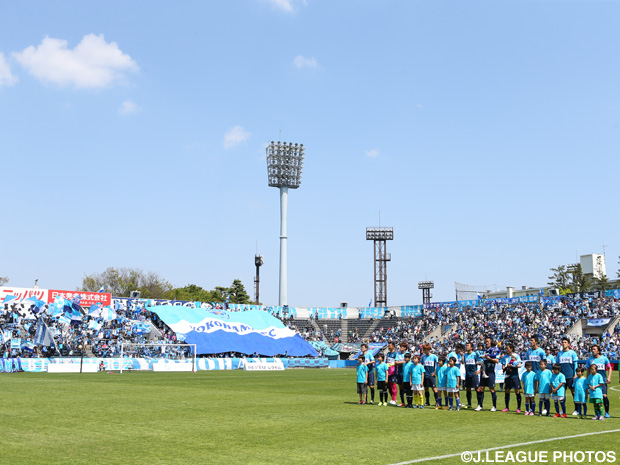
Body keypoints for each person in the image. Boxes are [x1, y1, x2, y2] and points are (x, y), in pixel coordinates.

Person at [585, 345, 612, 418]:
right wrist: (588, 380)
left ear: (598, 351)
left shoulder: (604, 359)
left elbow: (609, 368)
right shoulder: (589, 360)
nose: (593, 350)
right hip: (593, 383)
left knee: (604, 396)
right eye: (592, 349)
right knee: (595, 398)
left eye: (594, 349)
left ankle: (606, 412)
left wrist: (609, 377)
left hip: (602, 381)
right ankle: (598, 413)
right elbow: (588, 371)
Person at [475, 336, 500, 412]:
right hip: (484, 372)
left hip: (491, 372)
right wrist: (480, 370)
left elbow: (497, 360)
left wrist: (490, 358)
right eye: (486, 341)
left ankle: (494, 406)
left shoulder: (494, 351)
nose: (486, 343)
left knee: (491, 389)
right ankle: (480, 405)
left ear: (491, 342)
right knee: (481, 388)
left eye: (488, 341)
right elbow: (483, 362)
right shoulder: (484, 351)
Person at [557, 336, 579, 415]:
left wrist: (575, 374)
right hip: (562, 377)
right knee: (562, 394)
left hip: (570, 376)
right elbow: (557, 365)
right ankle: (563, 410)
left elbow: (575, 364)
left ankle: (577, 409)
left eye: (565, 342)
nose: (563, 344)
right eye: (562, 342)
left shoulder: (572, 353)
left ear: (569, 344)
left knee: (573, 393)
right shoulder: (559, 353)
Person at [501, 343, 522, 413]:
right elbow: (503, 366)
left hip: (515, 375)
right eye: (506, 348)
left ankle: (518, 408)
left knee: (517, 391)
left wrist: (512, 366)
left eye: (507, 348)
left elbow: (519, 365)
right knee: (507, 391)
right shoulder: (504, 357)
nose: (506, 350)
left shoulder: (516, 356)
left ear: (511, 348)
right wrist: (505, 368)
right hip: (507, 376)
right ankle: (507, 407)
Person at [463, 342, 480, 409]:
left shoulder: (475, 354)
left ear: (471, 347)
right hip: (467, 374)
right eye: (466, 346)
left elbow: (480, 362)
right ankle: (469, 403)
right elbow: (465, 364)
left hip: (474, 374)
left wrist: (479, 371)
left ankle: (479, 404)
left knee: (477, 389)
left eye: (468, 346)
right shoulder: (465, 355)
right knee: (468, 389)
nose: (466, 347)